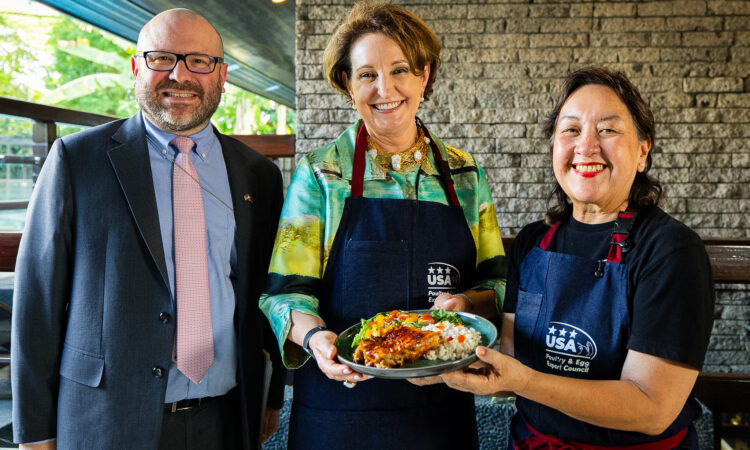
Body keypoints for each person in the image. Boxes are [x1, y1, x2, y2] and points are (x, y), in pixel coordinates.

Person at [11, 8, 285, 450]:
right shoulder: (77, 161)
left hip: (227, 416)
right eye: (161, 58)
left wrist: (272, 395)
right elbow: (37, 304)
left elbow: (268, 293)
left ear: (221, 76)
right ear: (136, 67)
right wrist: (35, 430)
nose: (179, 74)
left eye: (199, 61)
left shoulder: (258, 174)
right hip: (106, 418)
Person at [259, 2, 506, 449]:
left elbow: (498, 282)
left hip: (442, 410)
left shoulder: (465, 176)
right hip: (340, 409)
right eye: (367, 74)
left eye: (400, 70)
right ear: (346, 84)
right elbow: (284, 296)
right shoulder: (320, 175)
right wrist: (316, 338)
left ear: (424, 76)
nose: (384, 88)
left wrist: (465, 302)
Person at [434, 67, 715, 448]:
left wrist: (523, 381)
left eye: (608, 130)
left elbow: (653, 408)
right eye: (571, 130)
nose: (586, 146)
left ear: (643, 151)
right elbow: (511, 371)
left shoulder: (670, 250)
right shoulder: (534, 244)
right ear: (554, 146)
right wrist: (439, 360)